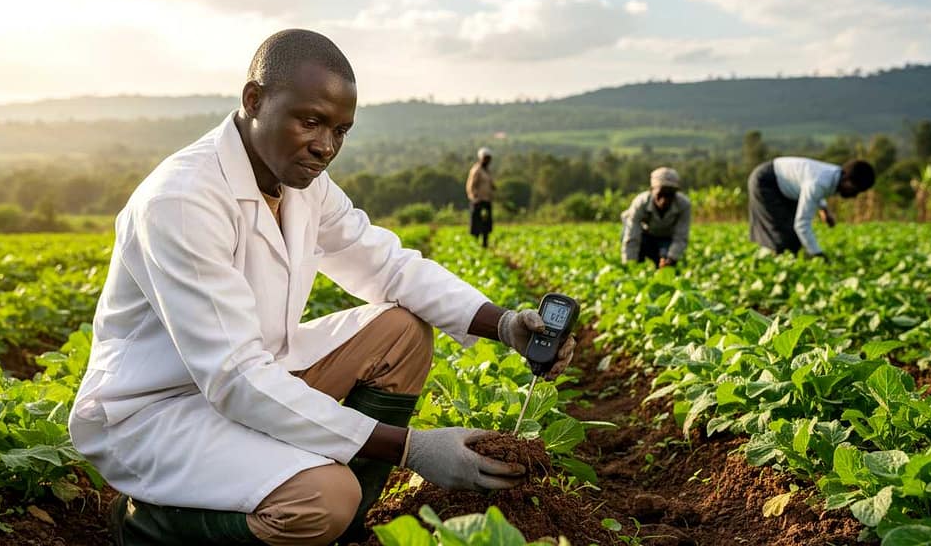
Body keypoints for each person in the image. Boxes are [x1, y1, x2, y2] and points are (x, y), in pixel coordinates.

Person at [68, 29, 576, 546]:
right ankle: (143, 525)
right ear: (253, 100)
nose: (326, 146)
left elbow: (388, 266)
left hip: (256, 374)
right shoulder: (182, 201)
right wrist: (410, 448)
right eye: (310, 121)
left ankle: (348, 527)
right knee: (321, 501)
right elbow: (235, 379)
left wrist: (507, 324)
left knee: (400, 331)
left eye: (341, 130)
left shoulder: (298, 181)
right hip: (159, 410)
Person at [748, 156, 875, 259]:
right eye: (855, 190)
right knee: (783, 237)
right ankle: (772, 265)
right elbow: (802, 224)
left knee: (792, 238)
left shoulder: (835, 174)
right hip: (766, 182)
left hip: (781, 184)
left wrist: (824, 210)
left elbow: (816, 191)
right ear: (848, 181)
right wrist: (818, 254)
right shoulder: (819, 182)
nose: (854, 195)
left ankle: (785, 262)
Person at [621, 167, 691, 268]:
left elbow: (681, 237)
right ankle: (639, 263)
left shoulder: (684, 204)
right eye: (660, 194)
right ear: (652, 190)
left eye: (669, 195)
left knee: (667, 267)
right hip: (647, 238)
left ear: (675, 193)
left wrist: (671, 258)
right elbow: (632, 236)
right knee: (629, 234)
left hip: (668, 240)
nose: (664, 200)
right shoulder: (641, 203)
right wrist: (630, 265)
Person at [466, 146, 495, 248]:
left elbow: (490, 184)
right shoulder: (476, 170)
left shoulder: (487, 171)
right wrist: (474, 197)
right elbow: (470, 185)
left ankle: (484, 244)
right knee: (477, 224)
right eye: (486, 158)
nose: (488, 160)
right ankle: (475, 245)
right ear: (481, 158)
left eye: (489, 158)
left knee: (486, 224)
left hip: (487, 201)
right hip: (478, 201)